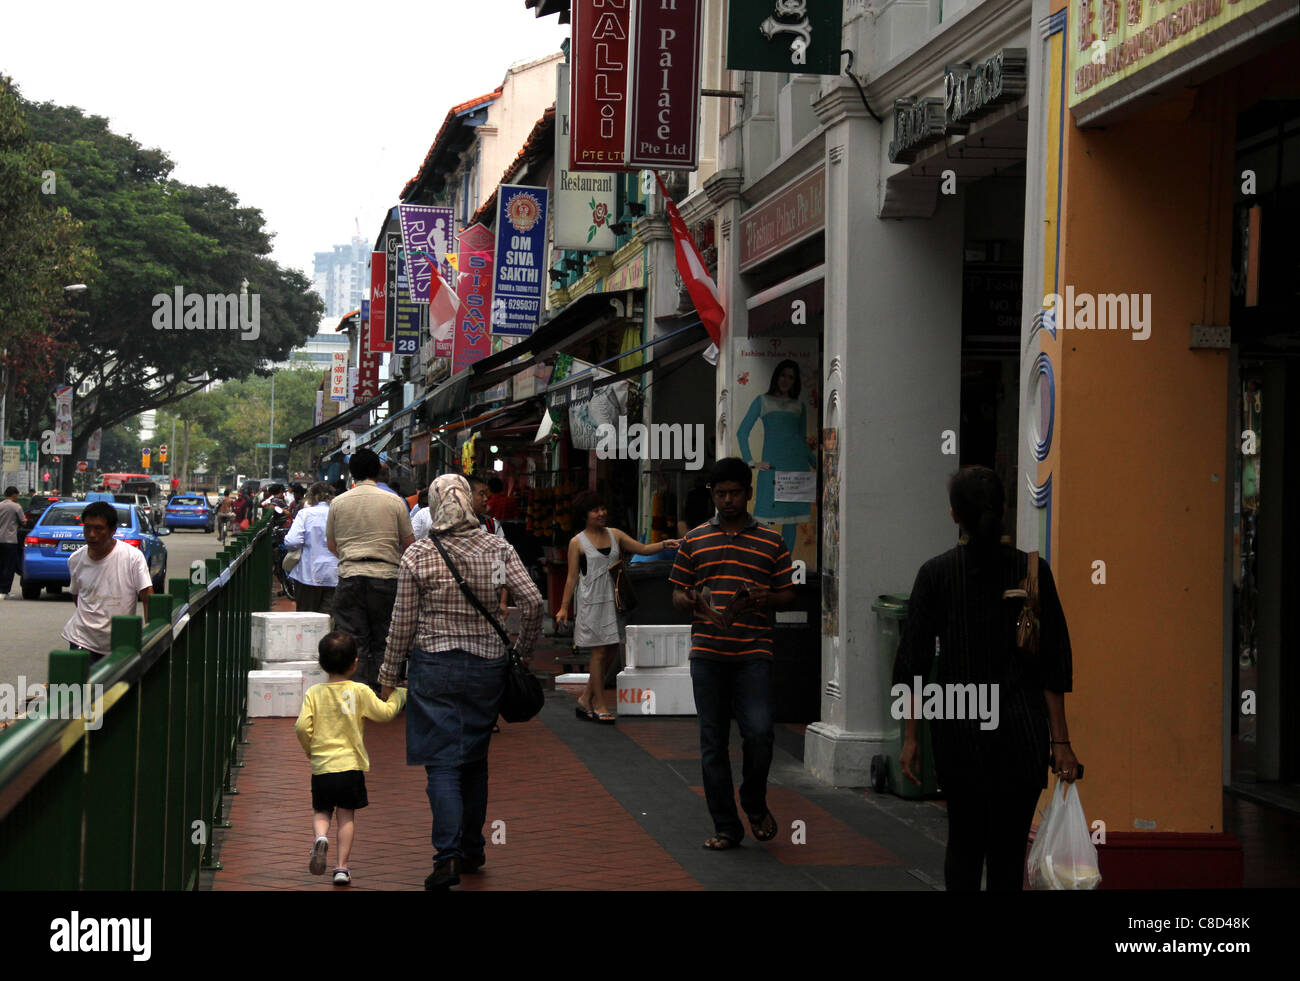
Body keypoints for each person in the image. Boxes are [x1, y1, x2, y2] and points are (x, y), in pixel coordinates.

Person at [893, 466, 1077, 891]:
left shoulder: (935, 575)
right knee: (1008, 854)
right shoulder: (1033, 571)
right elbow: (1054, 662)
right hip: (1022, 730)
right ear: (1004, 510)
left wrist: (911, 737)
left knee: (964, 845)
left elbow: (914, 664)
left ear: (954, 515)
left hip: (960, 729)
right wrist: (1061, 743)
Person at [380, 474, 543, 889]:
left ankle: (447, 857)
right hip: (487, 667)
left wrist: (388, 674)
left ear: (434, 505)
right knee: (474, 756)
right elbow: (534, 601)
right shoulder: (497, 546)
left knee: (442, 764)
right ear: (469, 502)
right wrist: (520, 651)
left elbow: (403, 622)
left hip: (434, 665)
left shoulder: (418, 555)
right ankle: (472, 848)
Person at [669, 458, 795, 850]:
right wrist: (687, 599)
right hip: (707, 653)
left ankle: (753, 801)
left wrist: (768, 597)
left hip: (754, 651)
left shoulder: (772, 541)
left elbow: (788, 592)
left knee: (759, 732)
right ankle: (726, 826)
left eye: (735, 493)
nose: (728, 500)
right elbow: (675, 593)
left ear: (748, 493)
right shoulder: (694, 540)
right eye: (720, 493)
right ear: (712, 495)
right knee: (713, 741)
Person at [557, 491, 680, 724]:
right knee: (599, 652)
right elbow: (572, 577)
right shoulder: (577, 542)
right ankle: (600, 704)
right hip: (591, 603)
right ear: (584, 515)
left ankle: (585, 698)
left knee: (611, 651)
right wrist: (564, 607)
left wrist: (665, 544)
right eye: (595, 510)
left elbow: (642, 550)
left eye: (603, 508)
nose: (601, 513)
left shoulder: (615, 535)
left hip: (614, 601)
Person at [295, 630, 407, 887]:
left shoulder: (315, 693)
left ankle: (320, 837)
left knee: (322, 810)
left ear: (321, 663)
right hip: (350, 766)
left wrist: (310, 749)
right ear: (355, 662)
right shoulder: (360, 691)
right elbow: (384, 714)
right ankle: (342, 867)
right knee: (346, 816)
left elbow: (302, 726)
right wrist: (400, 694)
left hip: (322, 766)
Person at [326, 449, 414, 692]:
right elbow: (410, 544)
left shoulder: (338, 502)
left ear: (351, 472)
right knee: (385, 635)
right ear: (378, 471)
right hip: (386, 576)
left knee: (353, 638)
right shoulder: (395, 501)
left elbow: (332, 545)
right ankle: (381, 691)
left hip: (350, 575)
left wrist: (350, 559)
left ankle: (357, 691)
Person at [736, 359, 818, 554]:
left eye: (791, 377)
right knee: (767, 520)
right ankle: (765, 564)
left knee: (792, 521)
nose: (786, 380)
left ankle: (785, 568)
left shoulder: (799, 406)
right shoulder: (762, 401)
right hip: (773, 469)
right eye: (783, 375)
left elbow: (801, 439)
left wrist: (818, 466)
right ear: (776, 376)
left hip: (797, 469)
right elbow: (742, 432)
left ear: (795, 381)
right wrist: (751, 462)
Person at [60, 501, 153, 662]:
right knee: (79, 685)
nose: (91, 534)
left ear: (112, 531)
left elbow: (147, 596)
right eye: (87, 527)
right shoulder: (75, 560)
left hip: (120, 644)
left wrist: (151, 637)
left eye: (98, 528)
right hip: (82, 639)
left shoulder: (132, 557)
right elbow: (77, 596)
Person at [286, 482, 339, 616]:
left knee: (306, 619)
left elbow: (293, 541)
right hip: (335, 574)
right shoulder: (339, 514)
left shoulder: (305, 514)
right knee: (329, 618)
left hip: (308, 574)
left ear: (312, 496)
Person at [0, 486, 24, 598]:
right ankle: (5, 591)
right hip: (10, 540)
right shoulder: (16, 507)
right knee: (9, 566)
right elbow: (23, 521)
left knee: (0, 565)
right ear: (14, 494)